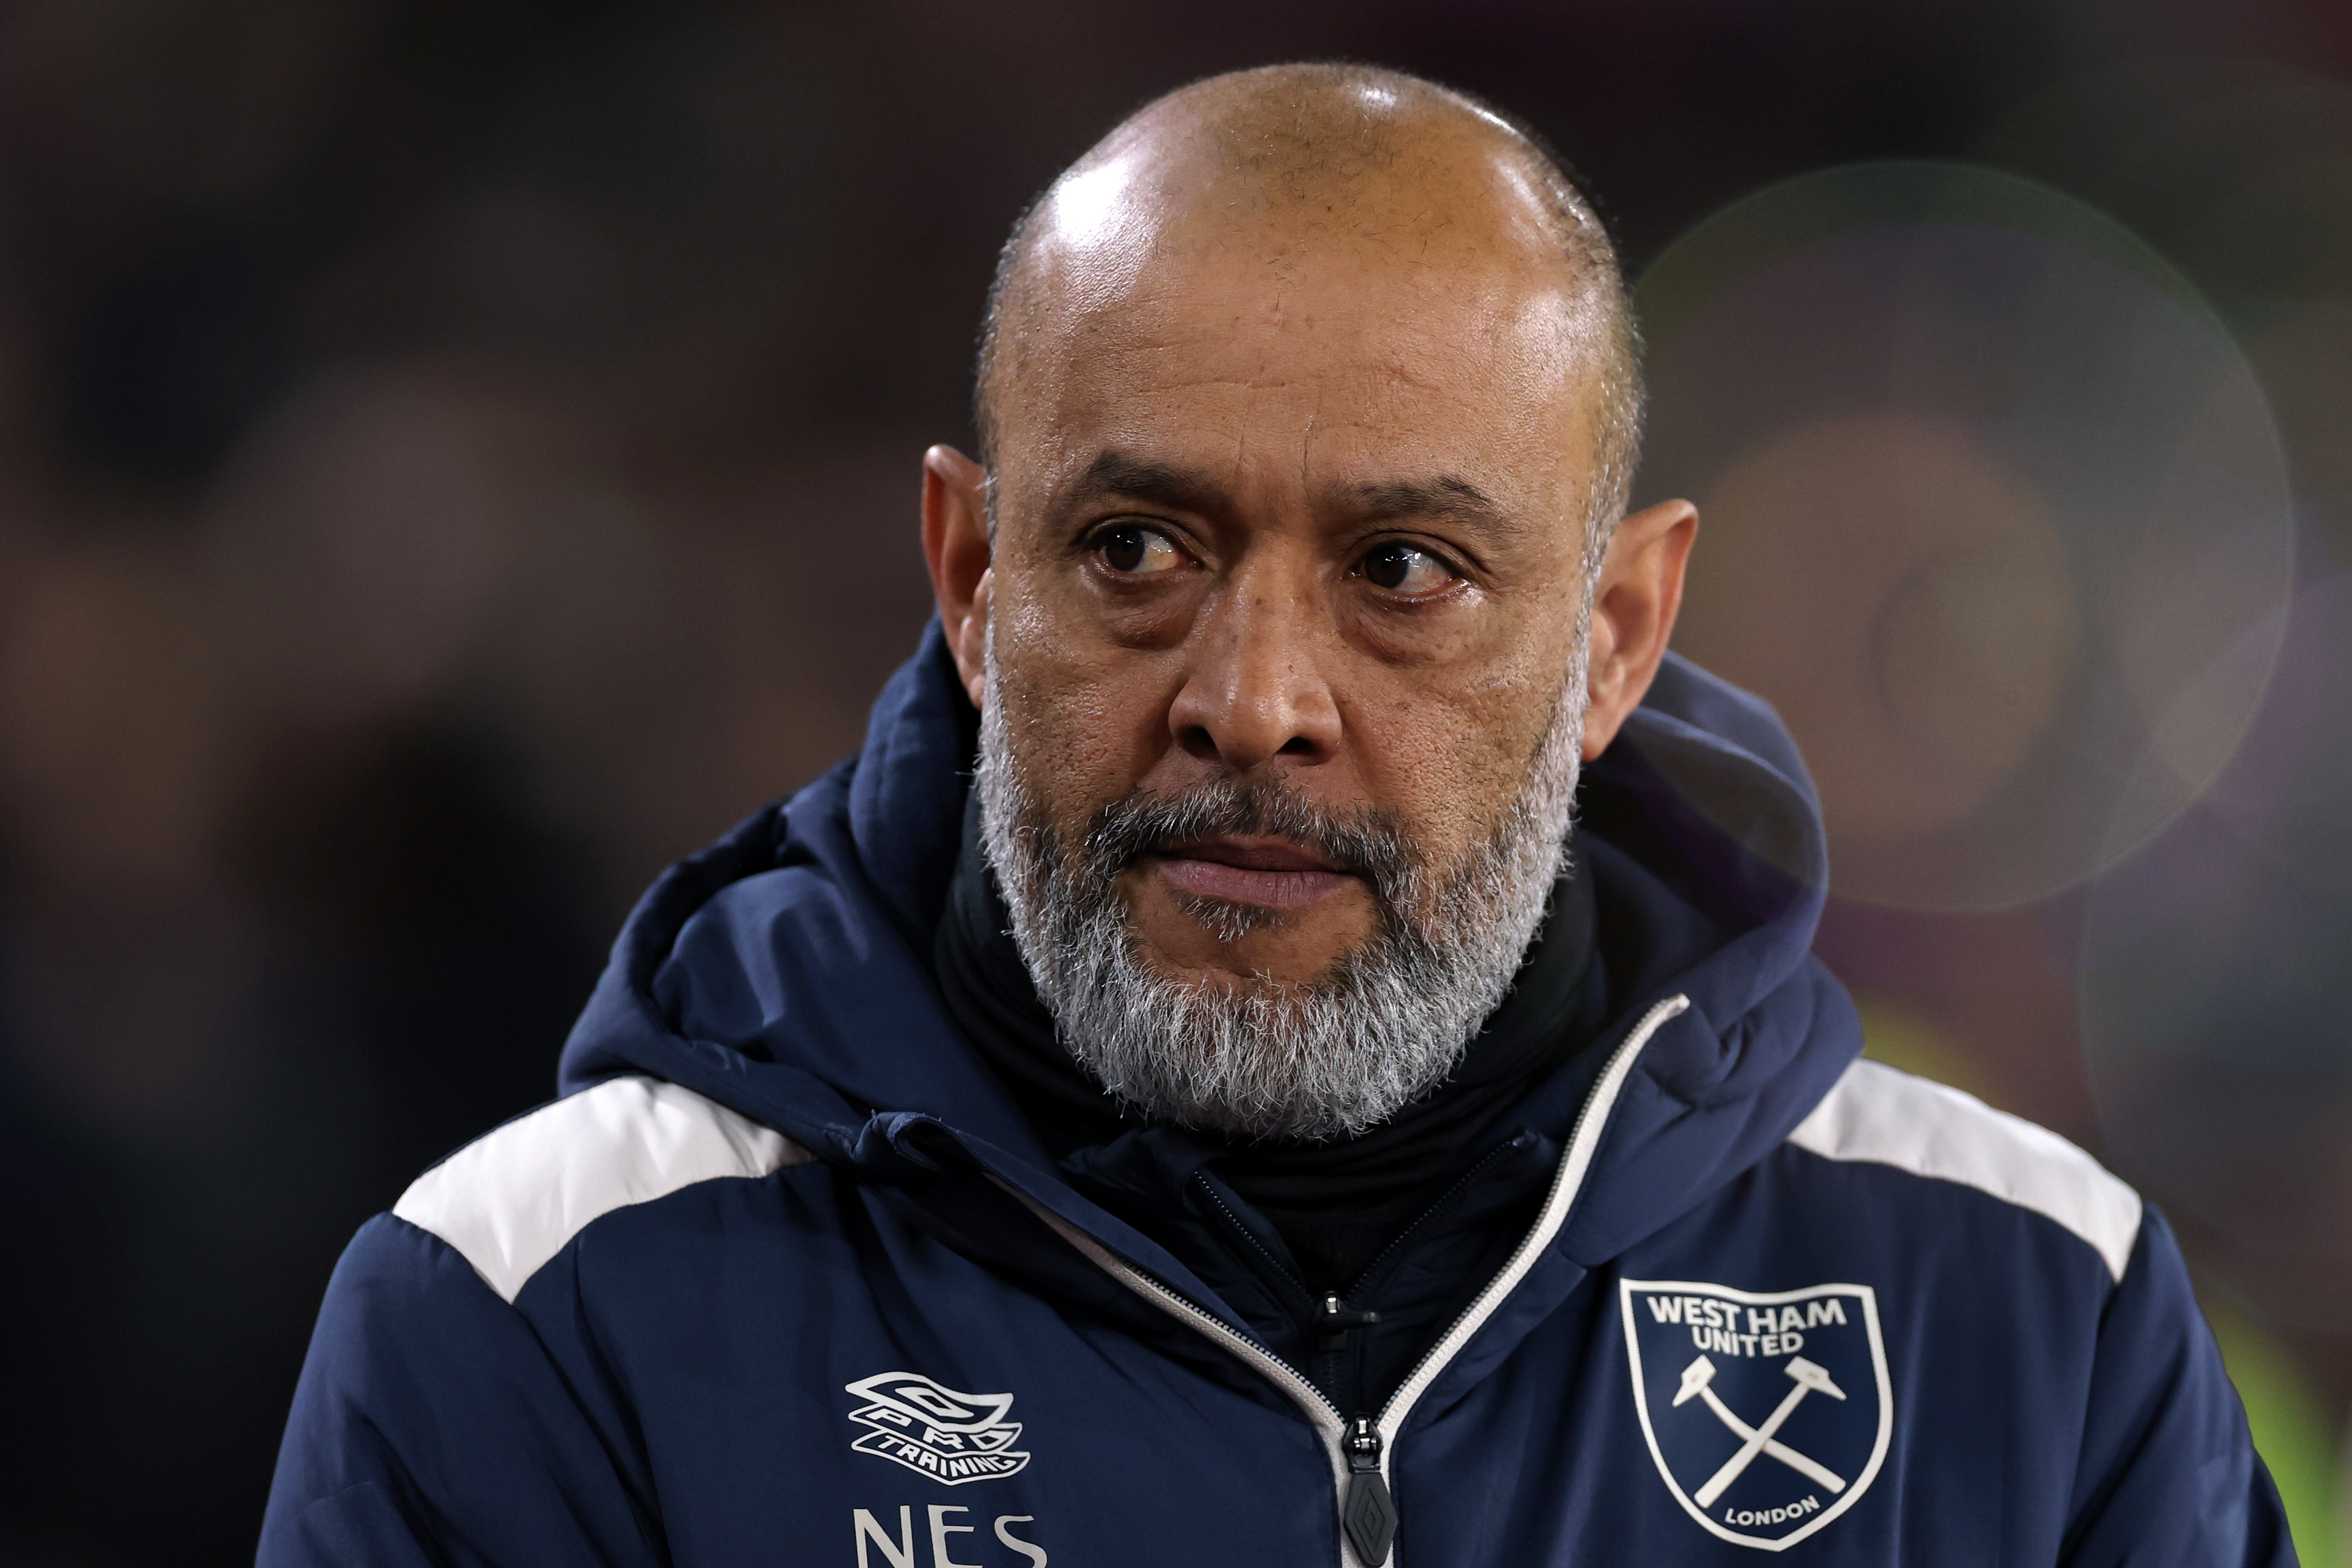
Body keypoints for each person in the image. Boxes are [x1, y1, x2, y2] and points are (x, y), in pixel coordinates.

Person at [259, 63, 2291, 1566]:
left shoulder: (2032, 1317)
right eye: (1136, 545)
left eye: (1405, 571)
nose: (1253, 701)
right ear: (975, 581)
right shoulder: (542, 1311)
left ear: (1614, 635)